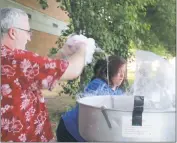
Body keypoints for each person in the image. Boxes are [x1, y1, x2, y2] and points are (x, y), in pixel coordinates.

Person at [0, 8, 95, 142]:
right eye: (28, 32)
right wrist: (84, 47)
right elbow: (73, 70)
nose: (29, 38)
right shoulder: (15, 58)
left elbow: (34, 72)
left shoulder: (9, 59)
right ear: (13, 32)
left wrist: (62, 53)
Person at [56, 55, 127, 142]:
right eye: (119, 71)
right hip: (70, 130)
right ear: (111, 71)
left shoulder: (119, 92)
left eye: (124, 72)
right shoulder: (97, 85)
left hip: (85, 134)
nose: (122, 75)